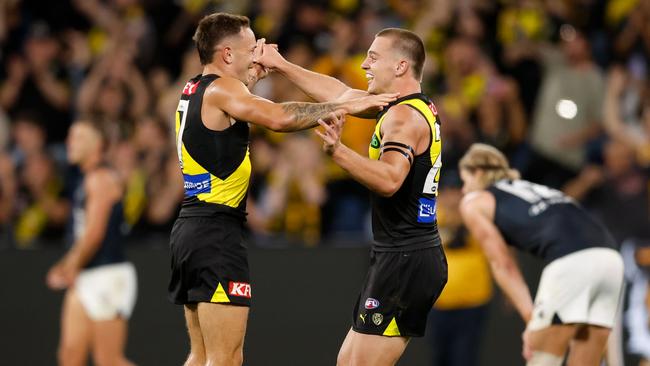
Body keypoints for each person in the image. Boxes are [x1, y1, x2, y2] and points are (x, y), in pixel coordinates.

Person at [168, 12, 396, 366]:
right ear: (227, 54)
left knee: (201, 356)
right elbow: (278, 118)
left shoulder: (194, 88)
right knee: (225, 359)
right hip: (215, 235)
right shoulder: (223, 89)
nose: (258, 55)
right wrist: (346, 104)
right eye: (251, 49)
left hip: (192, 230)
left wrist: (250, 79)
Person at [256, 27, 447, 366]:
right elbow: (341, 93)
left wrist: (338, 152)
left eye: (373, 57)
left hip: (405, 257)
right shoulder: (403, 105)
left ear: (401, 66)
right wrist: (281, 64)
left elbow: (390, 180)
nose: (364, 65)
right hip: (401, 254)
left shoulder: (403, 117)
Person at [457, 143, 624, 366]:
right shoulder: (532, 190)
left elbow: (502, 264)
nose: (463, 190)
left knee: (542, 361)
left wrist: (531, 320)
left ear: (477, 173)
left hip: (572, 261)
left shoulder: (474, 201)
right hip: (611, 259)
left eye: (464, 181)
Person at [46, 119, 136, 366]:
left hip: (107, 274)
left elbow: (94, 234)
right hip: (86, 275)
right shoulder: (83, 179)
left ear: (97, 145)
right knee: (69, 355)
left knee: (108, 360)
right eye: (69, 137)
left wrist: (68, 267)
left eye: (78, 138)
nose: (69, 144)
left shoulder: (101, 179)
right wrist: (69, 266)